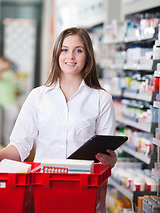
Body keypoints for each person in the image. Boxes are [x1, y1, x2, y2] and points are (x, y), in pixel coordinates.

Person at [0, 27, 117, 168]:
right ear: (56, 54)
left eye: (78, 50)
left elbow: (104, 151)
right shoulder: (38, 96)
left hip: (84, 183)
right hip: (44, 182)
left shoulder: (101, 99)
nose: (71, 56)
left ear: (88, 55)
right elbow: (20, 146)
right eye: (64, 50)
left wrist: (111, 159)